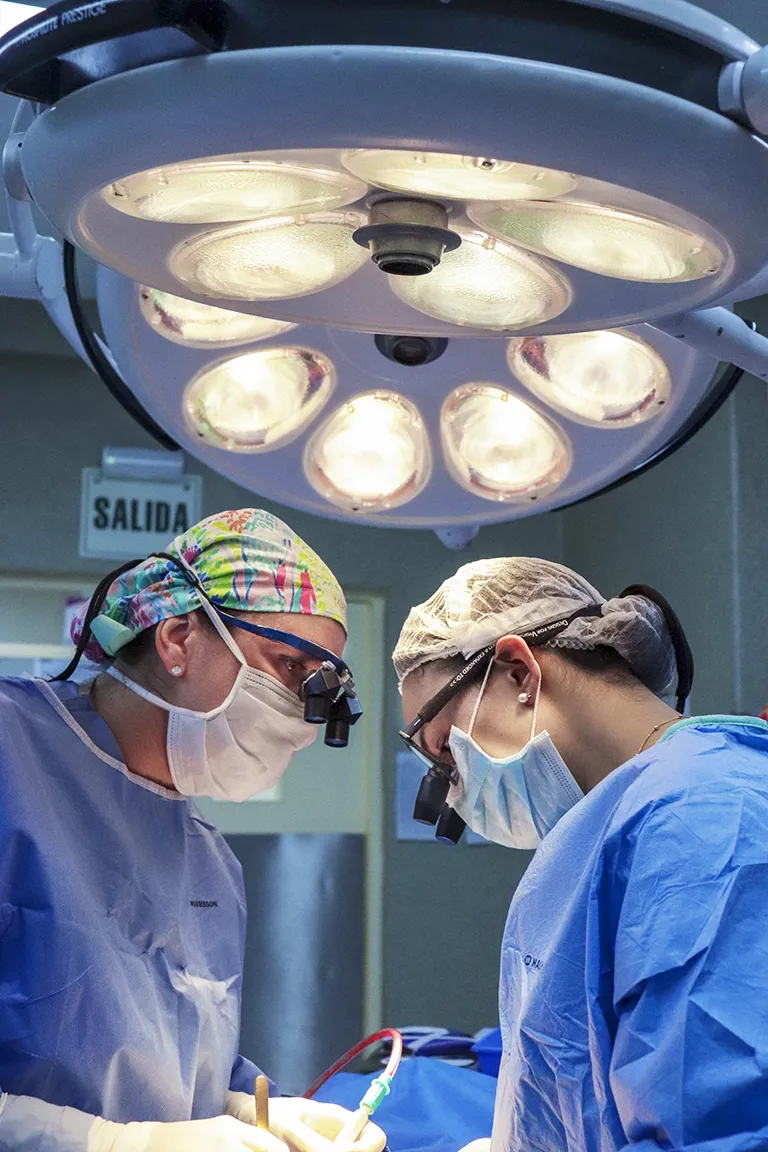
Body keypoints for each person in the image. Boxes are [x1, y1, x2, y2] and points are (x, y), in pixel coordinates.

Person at [0, 508, 385, 1152]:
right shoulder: (10, 755)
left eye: (318, 687)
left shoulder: (208, 863)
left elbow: (175, 1065)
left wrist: (244, 1111)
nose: (301, 712)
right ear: (178, 638)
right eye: (289, 666)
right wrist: (117, 1144)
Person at [394, 556, 768, 1152]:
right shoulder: (599, 835)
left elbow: (725, 1129)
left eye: (445, 750)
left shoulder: (709, 815)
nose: (455, 791)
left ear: (518, 671)